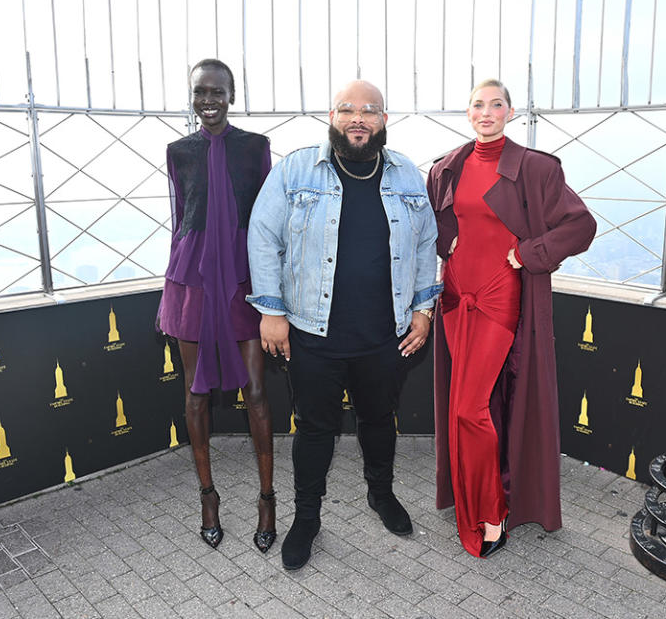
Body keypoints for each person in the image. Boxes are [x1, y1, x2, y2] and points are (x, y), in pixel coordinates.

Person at [247, 80, 441, 571]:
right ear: (331, 116)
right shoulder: (295, 169)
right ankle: (307, 518)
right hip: (314, 334)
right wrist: (271, 311)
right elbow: (262, 236)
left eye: (370, 111)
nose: (359, 118)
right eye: (348, 109)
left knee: (379, 421)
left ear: (384, 120)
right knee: (315, 430)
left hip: (385, 335)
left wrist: (423, 310)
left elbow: (424, 245)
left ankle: (381, 495)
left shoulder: (406, 175)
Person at [427, 79, 596, 558]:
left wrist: (530, 251)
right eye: (478, 104)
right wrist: (445, 241)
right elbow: (434, 222)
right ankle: (473, 498)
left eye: (495, 105)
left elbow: (581, 225)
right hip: (457, 298)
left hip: (501, 297)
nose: (486, 112)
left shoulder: (536, 169)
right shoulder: (446, 168)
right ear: (467, 111)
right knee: (464, 407)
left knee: (469, 409)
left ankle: (492, 512)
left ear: (510, 111)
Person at [156, 59, 276, 552]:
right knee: (194, 395)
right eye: (199, 92)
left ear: (232, 94)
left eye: (217, 92)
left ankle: (268, 500)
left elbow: (269, 218)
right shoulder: (177, 151)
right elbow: (178, 216)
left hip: (243, 275)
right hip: (192, 278)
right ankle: (209, 498)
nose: (208, 100)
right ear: (192, 96)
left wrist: (273, 289)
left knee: (257, 395)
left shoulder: (255, 148)